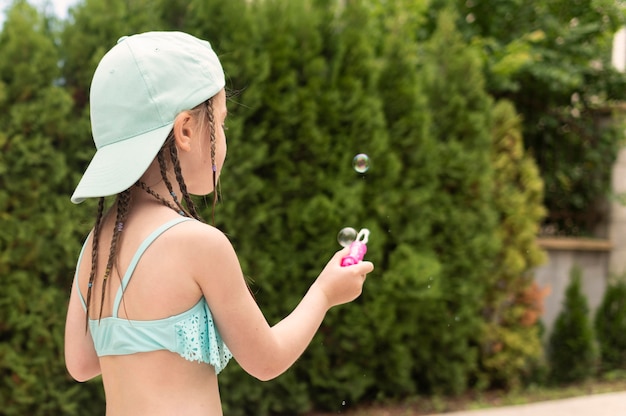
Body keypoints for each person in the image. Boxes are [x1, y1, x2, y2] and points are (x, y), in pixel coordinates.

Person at [63, 31, 374, 416]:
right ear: (187, 131)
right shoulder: (199, 244)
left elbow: (80, 364)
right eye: (222, 123)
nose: (224, 137)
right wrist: (325, 293)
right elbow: (266, 360)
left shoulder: (97, 245)